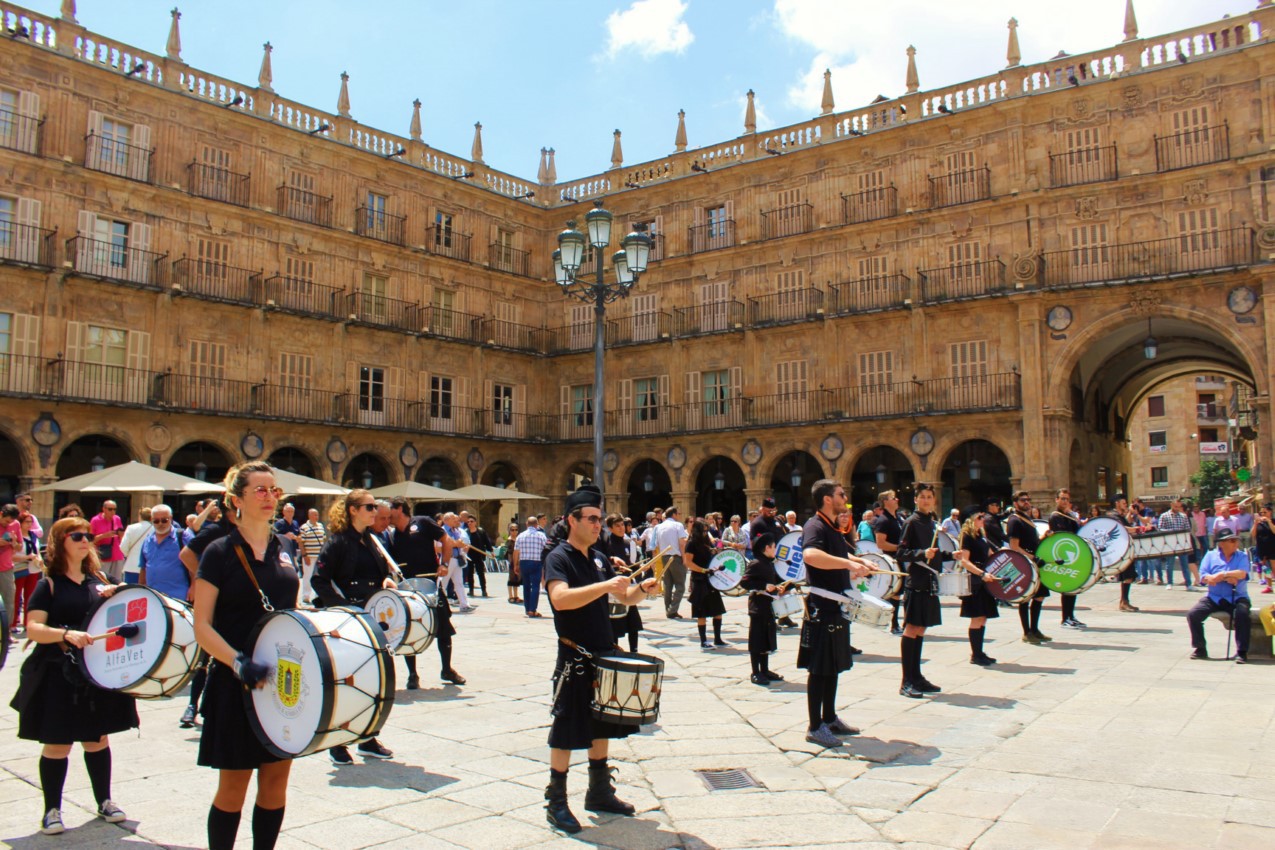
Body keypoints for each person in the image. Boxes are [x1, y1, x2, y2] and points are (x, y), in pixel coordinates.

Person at [192, 462, 298, 850]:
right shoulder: (218, 552)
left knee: (275, 781)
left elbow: (290, 610)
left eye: (274, 490)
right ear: (236, 500)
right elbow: (201, 626)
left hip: (280, 681)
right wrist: (237, 661)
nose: (270, 497)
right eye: (261, 490)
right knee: (233, 786)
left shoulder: (285, 547)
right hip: (234, 679)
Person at [542, 484, 659, 834]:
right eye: (591, 519)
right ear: (571, 520)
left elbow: (622, 599)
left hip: (602, 651)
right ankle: (557, 799)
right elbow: (560, 599)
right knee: (566, 729)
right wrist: (607, 586)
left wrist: (641, 590)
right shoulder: (558, 557)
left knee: (601, 722)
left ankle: (598, 791)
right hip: (575, 655)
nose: (598, 525)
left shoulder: (598, 558)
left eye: (599, 520)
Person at [11, 517, 135, 835]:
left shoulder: (99, 579)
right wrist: (66, 634)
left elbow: (121, 621)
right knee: (57, 744)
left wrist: (118, 595)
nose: (85, 540)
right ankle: (52, 810)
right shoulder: (48, 583)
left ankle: (105, 801)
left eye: (88, 535)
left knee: (97, 739)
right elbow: (34, 628)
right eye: (76, 535)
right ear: (60, 542)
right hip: (58, 671)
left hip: (94, 671)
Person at [311, 490, 397, 765]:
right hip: (347, 622)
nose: (375, 512)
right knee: (345, 682)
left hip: (370, 618)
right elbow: (319, 580)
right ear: (353, 510)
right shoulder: (337, 542)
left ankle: (367, 737)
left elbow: (380, 574)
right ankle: (337, 743)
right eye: (370, 507)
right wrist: (343, 608)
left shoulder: (372, 540)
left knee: (371, 681)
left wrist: (386, 583)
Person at [798, 479, 872, 745]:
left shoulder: (832, 527)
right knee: (819, 668)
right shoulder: (814, 525)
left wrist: (858, 560)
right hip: (822, 606)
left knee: (832, 666)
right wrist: (847, 564)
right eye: (841, 494)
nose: (845, 497)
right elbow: (811, 556)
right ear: (828, 499)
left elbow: (838, 553)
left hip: (837, 605)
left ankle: (829, 717)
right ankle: (814, 726)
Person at [386, 497, 465, 690]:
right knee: (408, 629)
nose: (388, 514)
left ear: (400, 508)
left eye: (390, 509)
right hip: (407, 588)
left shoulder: (422, 522)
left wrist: (444, 564)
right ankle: (413, 675)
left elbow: (445, 540)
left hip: (430, 584)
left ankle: (446, 669)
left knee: (444, 627)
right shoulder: (393, 534)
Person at [897, 482, 959, 699]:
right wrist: (923, 553)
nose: (925, 500)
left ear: (934, 500)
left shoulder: (931, 522)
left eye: (929, 497)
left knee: (922, 629)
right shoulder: (911, 522)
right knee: (912, 629)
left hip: (930, 582)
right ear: (915, 500)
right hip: (917, 581)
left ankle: (917, 677)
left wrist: (951, 556)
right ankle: (906, 681)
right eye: (921, 497)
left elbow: (935, 552)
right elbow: (901, 553)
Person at [178, 499, 231, 729]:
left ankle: (213, 706)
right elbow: (186, 554)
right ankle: (192, 705)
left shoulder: (251, 530)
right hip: (215, 602)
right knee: (205, 655)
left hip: (236, 602)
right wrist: (206, 579)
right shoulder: (216, 530)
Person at [1187, 528, 1252, 662]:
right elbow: (1204, 575)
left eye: (1236, 540)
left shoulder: (1242, 556)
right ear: (1221, 543)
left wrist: (1222, 575)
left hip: (1237, 597)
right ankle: (1200, 648)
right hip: (1214, 597)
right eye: (1232, 540)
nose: (1236, 543)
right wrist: (1211, 578)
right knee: (1193, 614)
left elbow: (1242, 573)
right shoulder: (1210, 555)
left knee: (1242, 614)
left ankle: (1242, 651)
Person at [957, 510, 1001, 665]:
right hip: (975, 581)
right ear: (971, 520)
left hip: (984, 580)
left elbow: (991, 554)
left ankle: (980, 652)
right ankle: (975, 654)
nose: (983, 520)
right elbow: (965, 561)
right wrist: (981, 574)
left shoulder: (981, 536)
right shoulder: (967, 537)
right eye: (980, 517)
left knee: (983, 617)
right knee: (977, 617)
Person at [1007, 491, 1051, 643]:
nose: (1026, 502)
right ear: (1015, 503)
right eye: (1023, 500)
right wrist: (1032, 557)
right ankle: (1026, 632)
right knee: (1025, 598)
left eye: (1028, 500)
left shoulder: (1027, 519)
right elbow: (1014, 547)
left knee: (1039, 595)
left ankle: (1035, 629)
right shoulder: (1014, 520)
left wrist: (1044, 537)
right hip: (1025, 563)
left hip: (1034, 562)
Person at [741, 533, 785, 685]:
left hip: (768, 605)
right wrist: (764, 586)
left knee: (766, 638)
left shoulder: (768, 563)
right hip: (758, 606)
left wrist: (778, 588)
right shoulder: (756, 563)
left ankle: (765, 670)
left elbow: (770, 583)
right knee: (756, 639)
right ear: (767, 548)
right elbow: (744, 583)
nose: (775, 549)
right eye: (773, 547)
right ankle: (755, 672)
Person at [603, 514, 643, 653]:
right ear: (610, 528)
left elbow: (633, 565)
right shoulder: (605, 543)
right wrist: (614, 566)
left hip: (627, 585)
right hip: (612, 587)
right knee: (614, 623)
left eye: (622, 525)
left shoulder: (629, 543)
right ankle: (613, 650)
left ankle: (634, 650)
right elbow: (604, 564)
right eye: (617, 526)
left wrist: (640, 569)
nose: (621, 528)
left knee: (633, 623)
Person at [685, 519, 726, 650]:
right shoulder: (691, 544)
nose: (705, 532)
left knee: (717, 609)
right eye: (703, 530)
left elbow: (713, 551)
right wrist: (703, 570)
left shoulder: (706, 542)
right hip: (699, 579)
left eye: (706, 530)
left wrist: (716, 551)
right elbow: (688, 563)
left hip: (711, 579)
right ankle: (703, 641)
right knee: (701, 612)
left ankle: (718, 638)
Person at [1048, 490, 1086, 629]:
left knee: (1073, 586)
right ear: (1056, 500)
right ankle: (1065, 617)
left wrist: (1074, 517)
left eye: (1067, 499)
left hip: (1073, 553)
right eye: (1062, 498)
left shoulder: (1069, 516)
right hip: (1063, 554)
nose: (1065, 501)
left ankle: (1071, 615)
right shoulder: (1055, 516)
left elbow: (1078, 531)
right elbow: (1060, 534)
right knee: (1067, 587)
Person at [139, 505, 192, 602]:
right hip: (153, 598)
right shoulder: (147, 540)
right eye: (156, 521)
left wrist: (194, 587)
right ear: (151, 520)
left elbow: (195, 566)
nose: (160, 524)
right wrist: (141, 591)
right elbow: (144, 568)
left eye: (164, 520)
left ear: (171, 518)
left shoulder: (183, 537)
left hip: (178, 597)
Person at [873, 490, 905, 635]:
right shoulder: (883, 520)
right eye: (893, 498)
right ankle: (894, 623)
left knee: (901, 592)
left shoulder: (898, 518)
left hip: (902, 558)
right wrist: (899, 548)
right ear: (885, 502)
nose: (897, 499)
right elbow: (881, 543)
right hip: (892, 560)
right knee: (895, 592)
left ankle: (903, 621)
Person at [652, 507, 690, 619]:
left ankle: (669, 609)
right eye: (678, 513)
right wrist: (684, 558)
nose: (679, 515)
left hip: (664, 556)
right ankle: (672, 610)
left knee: (668, 585)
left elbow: (656, 544)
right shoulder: (678, 525)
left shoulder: (659, 527)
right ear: (673, 514)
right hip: (676, 557)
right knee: (680, 586)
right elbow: (682, 543)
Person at [1108, 494, 1143, 612]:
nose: (1125, 505)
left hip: (1126, 548)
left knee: (1129, 576)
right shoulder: (1113, 515)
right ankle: (1124, 602)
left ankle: (1124, 601)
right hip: (1121, 550)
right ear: (1117, 503)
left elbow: (1126, 525)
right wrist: (1138, 529)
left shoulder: (1119, 515)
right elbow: (1122, 528)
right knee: (1127, 576)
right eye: (1123, 503)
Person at [513, 516, 548, 617]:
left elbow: (516, 552)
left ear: (527, 524)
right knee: (536, 586)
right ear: (537, 525)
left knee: (526, 586)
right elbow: (546, 549)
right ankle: (533, 609)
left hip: (524, 562)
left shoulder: (520, 536)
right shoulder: (541, 535)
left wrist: (516, 564)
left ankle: (527, 609)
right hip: (537, 562)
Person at [1158, 499, 1196, 591]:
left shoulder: (1183, 516)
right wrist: (1171, 532)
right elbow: (1160, 529)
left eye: (1179, 507)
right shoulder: (1164, 516)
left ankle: (1188, 584)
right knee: (1169, 564)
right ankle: (1169, 582)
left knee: (1184, 564)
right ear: (1171, 505)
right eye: (1175, 506)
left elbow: (1187, 529)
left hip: (1181, 544)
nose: (1177, 508)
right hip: (1170, 544)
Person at [13, 511, 42, 632]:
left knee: (30, 597)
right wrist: (27, 557)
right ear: (20, 523)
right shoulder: (16, 536)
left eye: (31, 522)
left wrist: (39, 559)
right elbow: (12, 555)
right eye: (26, 522)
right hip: (19, 568)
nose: (29, 524)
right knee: (16, 596)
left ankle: (27, 623)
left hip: (33, 568)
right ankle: (13, 624)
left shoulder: (33, 536)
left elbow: (37, 551)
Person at [440, 513, 474, 612]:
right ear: (447, 520)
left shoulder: (456, 531)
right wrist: (456, 544)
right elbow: (439, 546)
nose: (456, 521)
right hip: (448, 559)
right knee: (443, 583)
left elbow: (460, 543)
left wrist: (463, 547)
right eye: (454, 519)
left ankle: (464, 605)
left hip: (457, 558)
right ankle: (438, 603)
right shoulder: (442, 531)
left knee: (459, 583)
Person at [89, 501, 126, 583]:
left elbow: (121, 536)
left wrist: (121, 534)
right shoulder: (95, 520)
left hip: (117, 554)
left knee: (117, 580)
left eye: (114, 509)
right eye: (110, 509)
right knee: (103, 580)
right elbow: (91, 540)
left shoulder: (117, 518)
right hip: (103, 554)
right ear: (104, 509)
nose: (113, 512)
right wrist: (104, 535)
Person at [297, 508, 326, 605]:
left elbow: (324, 539)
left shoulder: (321, 526)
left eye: (317, 515)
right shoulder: (304, 527)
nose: (316, 517)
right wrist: (304, 555)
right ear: (309, 516)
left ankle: (318, 595)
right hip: (309, 556)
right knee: (308, 576)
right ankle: (306, 596)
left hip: (319, 556)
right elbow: (301, 542)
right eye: (314, 515)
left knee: (319, 576)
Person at [0, 503, 21, 634]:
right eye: (6, 521)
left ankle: (5, 632)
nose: (8, 524)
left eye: (11, 522)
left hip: (6, 568)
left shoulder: (16, 525)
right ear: (1, 514)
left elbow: (19, 547)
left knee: (8, 601)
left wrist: (14, 543)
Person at [119, 506, 153, 583]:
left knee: (131, 592)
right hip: (149, 567)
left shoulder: (131, 528)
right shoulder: (154, 529)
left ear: (140, 516)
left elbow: (123, 546)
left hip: (132, 566)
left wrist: (128, 554)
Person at [463, 514, 492, 598]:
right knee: (470, 574)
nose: (470, 523)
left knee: (480, 573)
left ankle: (484, 590)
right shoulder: (465, 532)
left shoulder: (481, 531)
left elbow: (487, 542)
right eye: (468, 522)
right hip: (469, 555)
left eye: (471, 521)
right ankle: (471, 590)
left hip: (479, 555)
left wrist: (491, 551)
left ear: (475, 522)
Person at [1255, 506, 1275, 594]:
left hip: (1272, 547)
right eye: (1261, 513)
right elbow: (1253, 534)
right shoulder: (1259, 523)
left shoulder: (1273, 521)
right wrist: (1255, 523)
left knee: (1274, 567)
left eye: (1265, 512)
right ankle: (1269, 586)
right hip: (1262, 548)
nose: (1263, 515)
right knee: (1266, 568)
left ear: (1270, 512)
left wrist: (1269, 521)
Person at [504, 522, 522, 604]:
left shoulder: (518, 538)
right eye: (512, 530)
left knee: (516, 578)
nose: (514, 531)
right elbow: (510, 552)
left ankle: (516, 595)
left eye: (516, 530)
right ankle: (510, 596)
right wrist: (513, 561)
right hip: (512, 560)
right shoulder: (509, 540)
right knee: (511, 577)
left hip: (518, 560)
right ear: (509, 531)